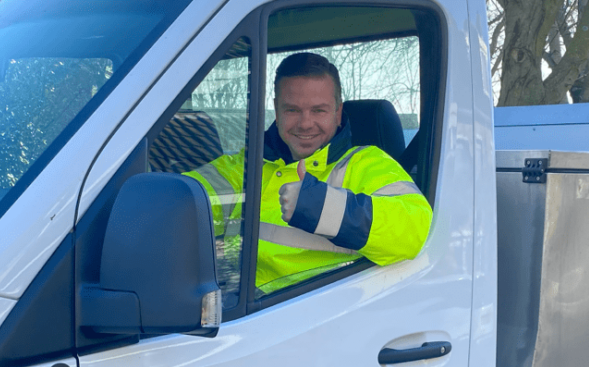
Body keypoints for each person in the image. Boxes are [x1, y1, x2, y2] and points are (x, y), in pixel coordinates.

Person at [185, 52, 432, 294]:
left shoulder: (365, 163)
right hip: (237, 311)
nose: (305, 123)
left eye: (318, 111)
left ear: (337, 113)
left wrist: (324, 207)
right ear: (277, 111)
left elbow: (416, 230)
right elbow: (181, 199)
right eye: (292, 110)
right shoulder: (245, 165)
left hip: (319, 318)